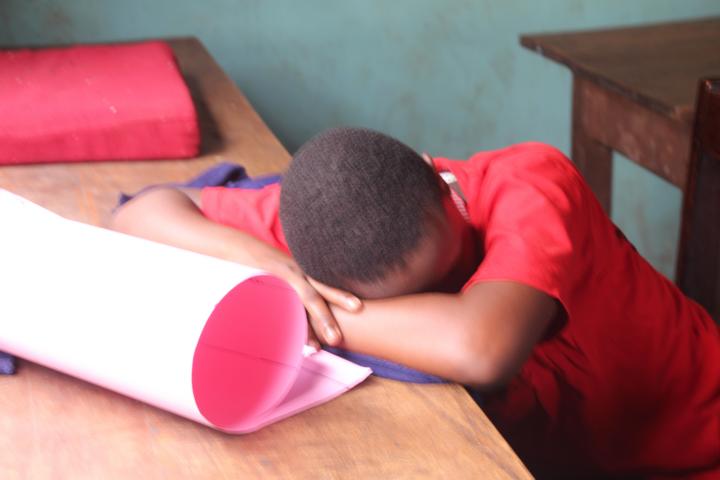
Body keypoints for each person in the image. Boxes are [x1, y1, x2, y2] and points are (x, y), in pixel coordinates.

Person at [112, 127, 720, 478]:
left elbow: (478, 348)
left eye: (460, 267)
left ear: (438, 177)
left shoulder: (531, 183)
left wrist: (300, 309)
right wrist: (271, 270)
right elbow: (138, 215)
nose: (455, 292)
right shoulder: (328, 231)